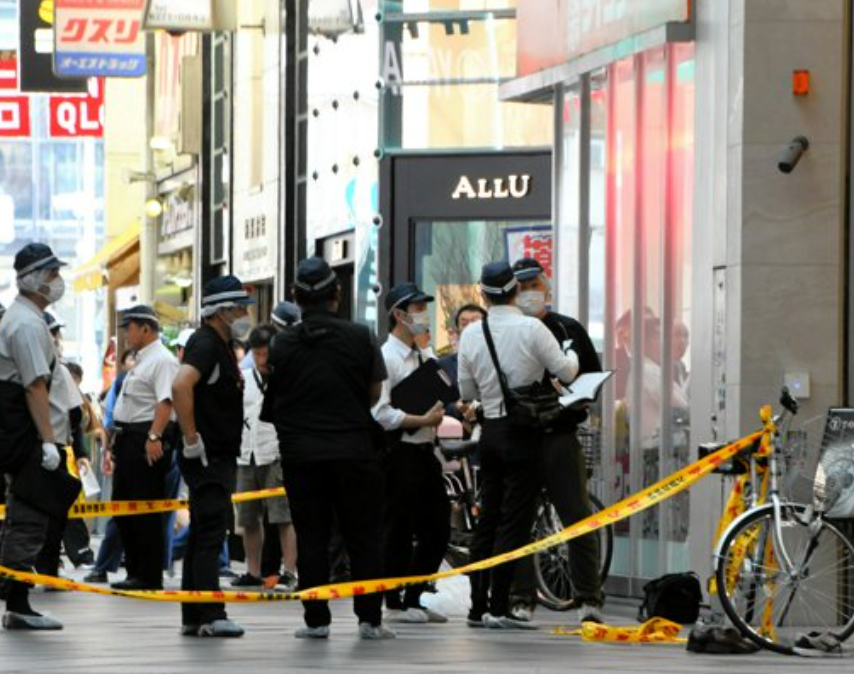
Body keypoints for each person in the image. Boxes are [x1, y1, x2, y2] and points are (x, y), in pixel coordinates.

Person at [262, 257, 393, 640]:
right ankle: (370, 618)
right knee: (363, 535)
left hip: (302, 455)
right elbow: (373, 392)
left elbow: (278, 396)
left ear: (296, 298)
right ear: (337, 294)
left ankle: (316, 619)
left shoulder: (281, 344)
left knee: (312, 534)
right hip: (354, 449)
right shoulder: (361, 336)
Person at [458, 261, 579, 630]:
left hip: (489, 432)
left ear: (483, 295)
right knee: (515, 519)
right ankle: (499, 606)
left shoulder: (472, 334)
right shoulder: (532, 328)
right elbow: (567, 371)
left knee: (488, 515)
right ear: (516, 291)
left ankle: (477, 606)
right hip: (524, 434)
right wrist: (571, 352)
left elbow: (465, 392)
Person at [509, 257, 604, 623]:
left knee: (577, 515)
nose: (528, 293)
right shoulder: (510, 331)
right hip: (521, 436)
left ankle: (588, 598)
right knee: (518, 518)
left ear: (546, 286)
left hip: (562, 435)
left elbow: (592, 379)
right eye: (520, 287)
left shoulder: (568, 328)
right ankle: (520, 597)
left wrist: (573, 394)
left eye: (533, 284)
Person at [172, 275, 254, 638]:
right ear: (221, 312)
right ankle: (210, 613)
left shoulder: (218, 343)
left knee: (202, 532)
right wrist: (192, 438)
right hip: (208, 455)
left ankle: (194, 614)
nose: (243, 314)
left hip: (215, 453)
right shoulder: (206, 344)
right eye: (238, 308)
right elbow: (180, 385)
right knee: (209, 532)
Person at [0, 243, 69, 630]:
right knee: (28, 516)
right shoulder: (25, 323)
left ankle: (18, 600)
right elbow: (34, 387)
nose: (57, 282)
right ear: (35, 279)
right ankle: (18, 603)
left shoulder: (29, 318)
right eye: (52, 275)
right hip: (29, 435)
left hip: (29, 432)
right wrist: (47, 440)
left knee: (30, 514)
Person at [373, 283, 450, 624]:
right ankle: (393, 600)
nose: (423, 314)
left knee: (438, 527)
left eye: (424, 306)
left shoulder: (426, 356)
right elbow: (380, 412)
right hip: (398, 454)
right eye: (417, 308)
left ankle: (415, 596)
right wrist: (423, 419)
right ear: (399, 315)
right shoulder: (386, 357)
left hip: (425, 453)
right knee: (398, 529)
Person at [108, 305, 180, 591]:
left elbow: (166, 401)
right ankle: (136, 569)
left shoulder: (162, 360)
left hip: (145, 438)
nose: (126, 334)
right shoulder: (143, 360)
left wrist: (154, 437)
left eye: (130, 328)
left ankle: (148, 575)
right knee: (123, 506)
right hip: (129, 439)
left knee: (145, 508)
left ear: (146, 329)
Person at [231, 324, 297, 590]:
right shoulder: (243, 378)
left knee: (283, 515)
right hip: (246, 454)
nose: (261, 360)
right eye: (256, 354)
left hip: (276, 453)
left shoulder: (288, 379)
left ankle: (289, 571)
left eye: (265, 354)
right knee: (248, 518)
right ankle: (253, 571)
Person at [84, 350, 136, 584]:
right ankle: (106, 565)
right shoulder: (121, 382)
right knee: (122, 511)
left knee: (154, 516)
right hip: (127, 454)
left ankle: (144, 569)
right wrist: (106, 453)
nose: (134, 362)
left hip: (158, 453)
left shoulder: (161, 372)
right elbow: (108, 420)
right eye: (130, 358)